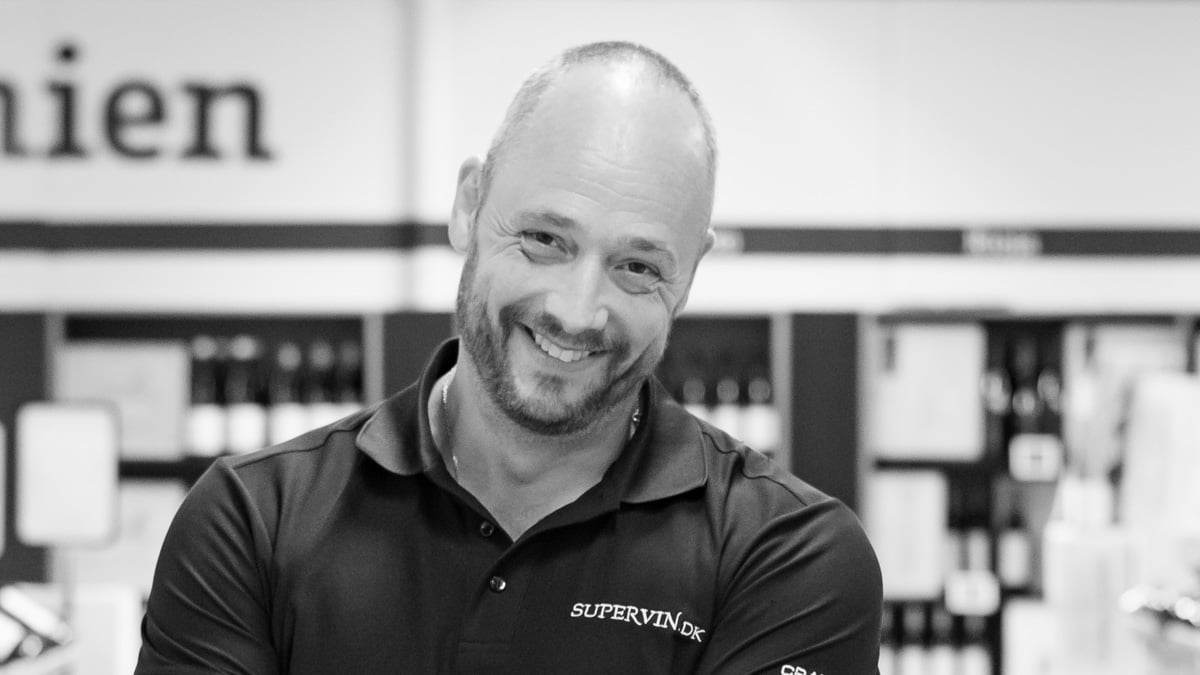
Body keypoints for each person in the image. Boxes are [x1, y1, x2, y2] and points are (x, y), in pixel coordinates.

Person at [135, 41, 882, 674]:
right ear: (469, 205)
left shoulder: (787, 554)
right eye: (545, 239)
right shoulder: (252, 521)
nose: (576, 311)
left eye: (638, 266)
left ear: (689, 274)